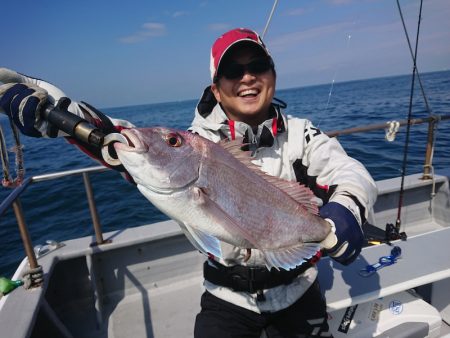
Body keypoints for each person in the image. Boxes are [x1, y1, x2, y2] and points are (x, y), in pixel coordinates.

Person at [0, 28, 377, 337]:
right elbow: (110, 134)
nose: (247, 77)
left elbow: (349, 172)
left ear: (273, 76)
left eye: (258, 65)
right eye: (232, 71)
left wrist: (344, 213)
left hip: (299, 288)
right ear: (215, 88)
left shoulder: (302, 135)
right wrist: (50, 107)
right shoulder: (197, 144)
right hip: (226, 298)